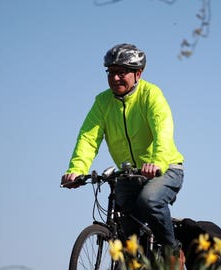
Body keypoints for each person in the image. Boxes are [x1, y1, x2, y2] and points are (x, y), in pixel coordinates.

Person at [61, 43, 185, 255]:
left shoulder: (151, 95)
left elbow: (162, 131)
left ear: (138, 73)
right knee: (124, 230)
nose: (115, 78)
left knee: (149, 201)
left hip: (164, 168)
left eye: (122, 73)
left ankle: (172, 252)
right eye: (111, 72)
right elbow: (88, 138)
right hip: (128, 175)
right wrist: (77, 170)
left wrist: (156, 162)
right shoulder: (103, 102)